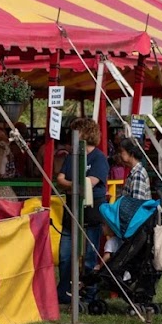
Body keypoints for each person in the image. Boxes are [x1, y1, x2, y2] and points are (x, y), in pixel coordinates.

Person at [56, 117, 109, 306]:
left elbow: (91, 183)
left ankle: (90, 293)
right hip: (71, 213)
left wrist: (72, 186)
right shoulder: (71, 157)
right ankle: (63, 292)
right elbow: (60, 179)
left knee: (89, 256)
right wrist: (74, 186)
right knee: (65, 255)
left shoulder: (99, 158)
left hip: (91, 215)